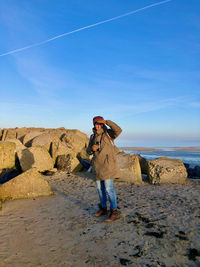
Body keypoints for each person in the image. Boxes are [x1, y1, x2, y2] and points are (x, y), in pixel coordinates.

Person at [86, 116, 122, 222]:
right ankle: (103, 209)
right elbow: (87, 151)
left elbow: (118, 130)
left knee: (109, 189)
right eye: (96, 124)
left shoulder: (109, 134)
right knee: (100, 190)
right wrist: (91, 149)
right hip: (97, 167)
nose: (98, 126)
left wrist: (107, 121)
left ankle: (114, 211)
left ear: (102, 124)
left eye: (100, 123)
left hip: (108, 167)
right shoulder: (92, 137)